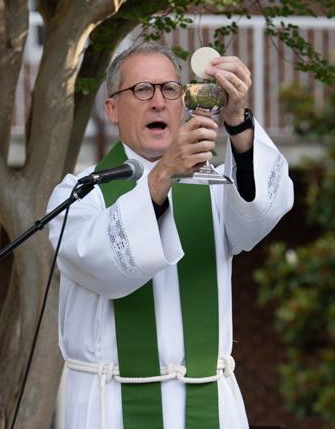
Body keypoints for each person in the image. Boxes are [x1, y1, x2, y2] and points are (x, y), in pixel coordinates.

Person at [46, 41, 293, 429]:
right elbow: (103, 265)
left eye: (170, 89)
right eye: (142, 90)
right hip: (112, 405)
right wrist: (163, 175)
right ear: (111, 108)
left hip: (206, 402)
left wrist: (238, 124)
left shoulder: (212, 187)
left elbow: (258, 218)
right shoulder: (79, 194)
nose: (158, 102)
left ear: (184, 102)